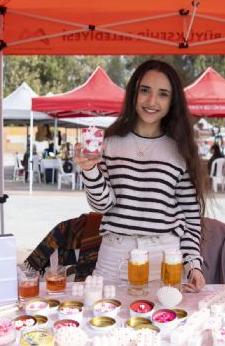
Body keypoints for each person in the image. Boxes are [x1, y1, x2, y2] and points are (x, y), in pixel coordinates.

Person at [74, 59, 207, 292]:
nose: (152, 101)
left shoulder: (181, 149)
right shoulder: (109, 143)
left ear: (172, 101)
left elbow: (190, 218)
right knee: (105, 323)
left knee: (164, 325)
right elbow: (102, 205)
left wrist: (193, 264)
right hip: (115, 255)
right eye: (145, 90)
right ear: (133, 93)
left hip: (164, 258)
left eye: (163, 94)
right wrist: (89, 169)